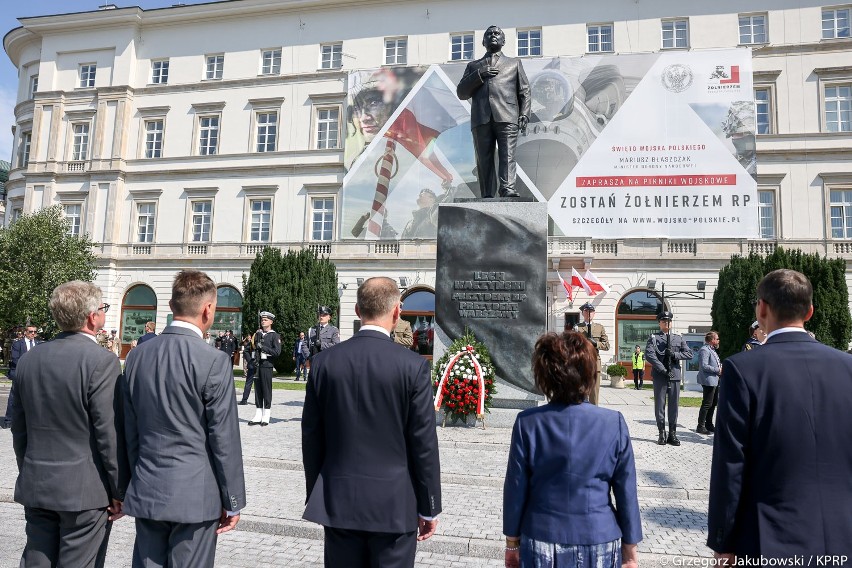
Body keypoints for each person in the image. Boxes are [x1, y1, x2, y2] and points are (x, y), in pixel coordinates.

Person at [708, 269, 852, 561]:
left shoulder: (742, 369)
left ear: (761, 308)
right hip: (844, 535)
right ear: (810, 311)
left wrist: (723, 541)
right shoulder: (847, 367)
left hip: (770, 537)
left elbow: (731, 462)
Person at [302, 277, 441, 567]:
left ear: (356, 310)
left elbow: (312, 436)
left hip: (338, 499)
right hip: (394, 504)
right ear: (396, 311)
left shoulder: (325, 363)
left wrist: (318, 492)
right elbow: (423, 444)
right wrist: (429, 507)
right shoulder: (413, 367)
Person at [122, 270, 246, 567]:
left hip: (147, 484)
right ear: (208, 309)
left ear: (170, 304)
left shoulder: (138, 356)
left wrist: (128, 483)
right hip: (196, 494)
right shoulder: (214, 360)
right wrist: (233, 501)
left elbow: (129, 428)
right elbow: (223, 438)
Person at [11, 282, 126, 567]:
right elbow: (107, 434)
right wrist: (119, 490)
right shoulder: (102, 361)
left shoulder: (29, 360)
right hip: (85, 492)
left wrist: (29, 469)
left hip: (38, 484)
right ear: (91, 317)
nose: (103, 315)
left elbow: (19, 428)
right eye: (103, 309)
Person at [503, 331, 641, 568]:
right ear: (589, 374)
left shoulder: (528, 422)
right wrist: (630, 548)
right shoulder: (613, 422)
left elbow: (516, 487)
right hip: (598, 535)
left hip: (541, 535)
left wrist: (512, 543)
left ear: (546, 374)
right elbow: (626, 490)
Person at [456, 25, 530, 198]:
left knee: (508, 155)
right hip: (481, 118)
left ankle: (507, 188)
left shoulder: (514, 63)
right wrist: (479, 74)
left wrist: (524, 113)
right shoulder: (473, 66)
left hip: (507, 115)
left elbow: (524, 91)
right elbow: (461, 92)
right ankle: (487, 193)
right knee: (484, 159)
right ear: (483, 41)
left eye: (497, 33)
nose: (493, 36)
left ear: (503, 41)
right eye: (489, 34)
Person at [645, 311, 694, 446]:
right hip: (661, 375)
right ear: (659, 323)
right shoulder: (654, 338)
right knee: (660, 405)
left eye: (668, 321)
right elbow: (649, 355)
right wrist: (663, 369)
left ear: (671, 323)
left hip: (674, 375)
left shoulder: (678, 338)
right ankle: (662, 432)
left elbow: (689, 354)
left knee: (673, 406)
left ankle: (672, 433)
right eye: (663, 321)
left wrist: (674, 354)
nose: (666, 323)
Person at [2, 323, 43, 429]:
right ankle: (9, 420)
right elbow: (16, 359)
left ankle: (33, 420)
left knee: (35, 397)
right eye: (30, 331)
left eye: (35, 332)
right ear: (25, 332)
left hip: (34, 374)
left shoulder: (38, 344)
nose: (33, 334)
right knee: (14, 397)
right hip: (19, 373)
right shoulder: (17, 344)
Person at [573, 303, 610, 405]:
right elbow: (571, 345)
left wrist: (596, 343)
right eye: (586, 311)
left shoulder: (599, 328)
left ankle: (594, 414)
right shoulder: (577, 328)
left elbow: (607, 346)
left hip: (594, 362)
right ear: (583, 313)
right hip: (581, 362)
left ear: (594, 313)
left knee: (594, 392)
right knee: (581, 391)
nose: (589, 313)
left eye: (591, 311)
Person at [251, 311, 281, 426]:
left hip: (267, 365)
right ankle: (258, 413)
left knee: (266, 389)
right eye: (262, 320)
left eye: (265, 320)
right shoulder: (258, 334)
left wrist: (263, 348)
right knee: (257, 390)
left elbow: (277, 352)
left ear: (271, 322)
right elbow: (252, 348)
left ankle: (266, 414)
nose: (263, 321)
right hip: (258, 364)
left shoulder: (274, 335)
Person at [696, 331, 722, 435]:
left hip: (714, 380)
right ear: (712, 340)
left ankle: (709, 424)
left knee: (713, 403)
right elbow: (704, 366)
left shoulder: (712, 350)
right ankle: (700, 426)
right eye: (717, 339)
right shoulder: (704, 350)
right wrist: (718, 370)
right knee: (707, 403)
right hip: (708, 380)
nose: (718, 340)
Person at [238, 337, 257, 405]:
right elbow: (245, 351)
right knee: (249, 383)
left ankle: (258, 400)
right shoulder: (252, 343)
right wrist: (250, 361)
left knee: (258, 384)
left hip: (260, 366)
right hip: (252, 365)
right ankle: (244, 399)